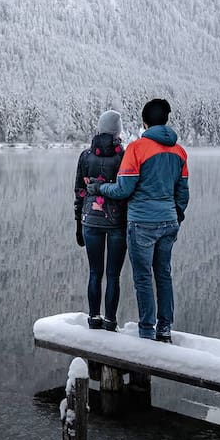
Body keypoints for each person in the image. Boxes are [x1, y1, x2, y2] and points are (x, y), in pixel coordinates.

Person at [87, 99, 188, 342]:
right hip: (169, 221)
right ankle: (164, 329)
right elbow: (183, 193)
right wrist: (175, 214)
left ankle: (146, 331)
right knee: (163, 275)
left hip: (142, 222)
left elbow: (123, 189)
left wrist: (99, 188)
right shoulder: (179, 151)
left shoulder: (137, 149)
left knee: (143, 278)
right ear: (165, 120)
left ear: (144, 123)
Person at [74, 110, 128, 331]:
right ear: (117, 131)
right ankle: (110, 321)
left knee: (95, 273)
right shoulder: (124, 157)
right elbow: (127, 191)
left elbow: (79, 191)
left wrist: (78, 224)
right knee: (113, 275)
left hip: (90, 220)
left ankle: (94, 317)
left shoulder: (86, 156)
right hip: (117, 222)